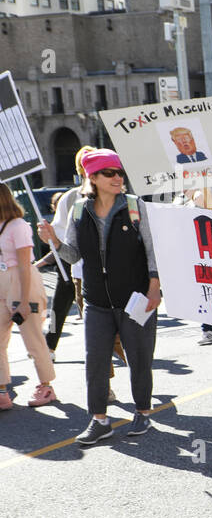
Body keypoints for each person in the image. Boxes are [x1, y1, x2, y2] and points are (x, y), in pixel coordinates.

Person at [40, 149, 161, 445]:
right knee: (94, 361)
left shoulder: (134, 207)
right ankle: (99, 420)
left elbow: (151, 250)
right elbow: (73, 255)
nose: (118, 178)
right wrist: (53, 241)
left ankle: (143, 412)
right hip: (96, 301)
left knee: (140, 358)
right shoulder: (79, 210)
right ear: (91, 177)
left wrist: (155, 287)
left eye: (119, 172)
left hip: (135, 298)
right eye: (109, 173)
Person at [0, 183, 57, 409]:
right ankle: (2, 389)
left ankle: (46, 386)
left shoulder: (18, 225)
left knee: (32, 338)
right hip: (3, 281)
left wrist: (23, 301)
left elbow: (24, 265)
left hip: (23, 282)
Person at [39, 144, 95, 353]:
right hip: (70, 259)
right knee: (59, 307)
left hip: (96, 263)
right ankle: (49, 346)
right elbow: (59, 230)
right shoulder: (71, 197)